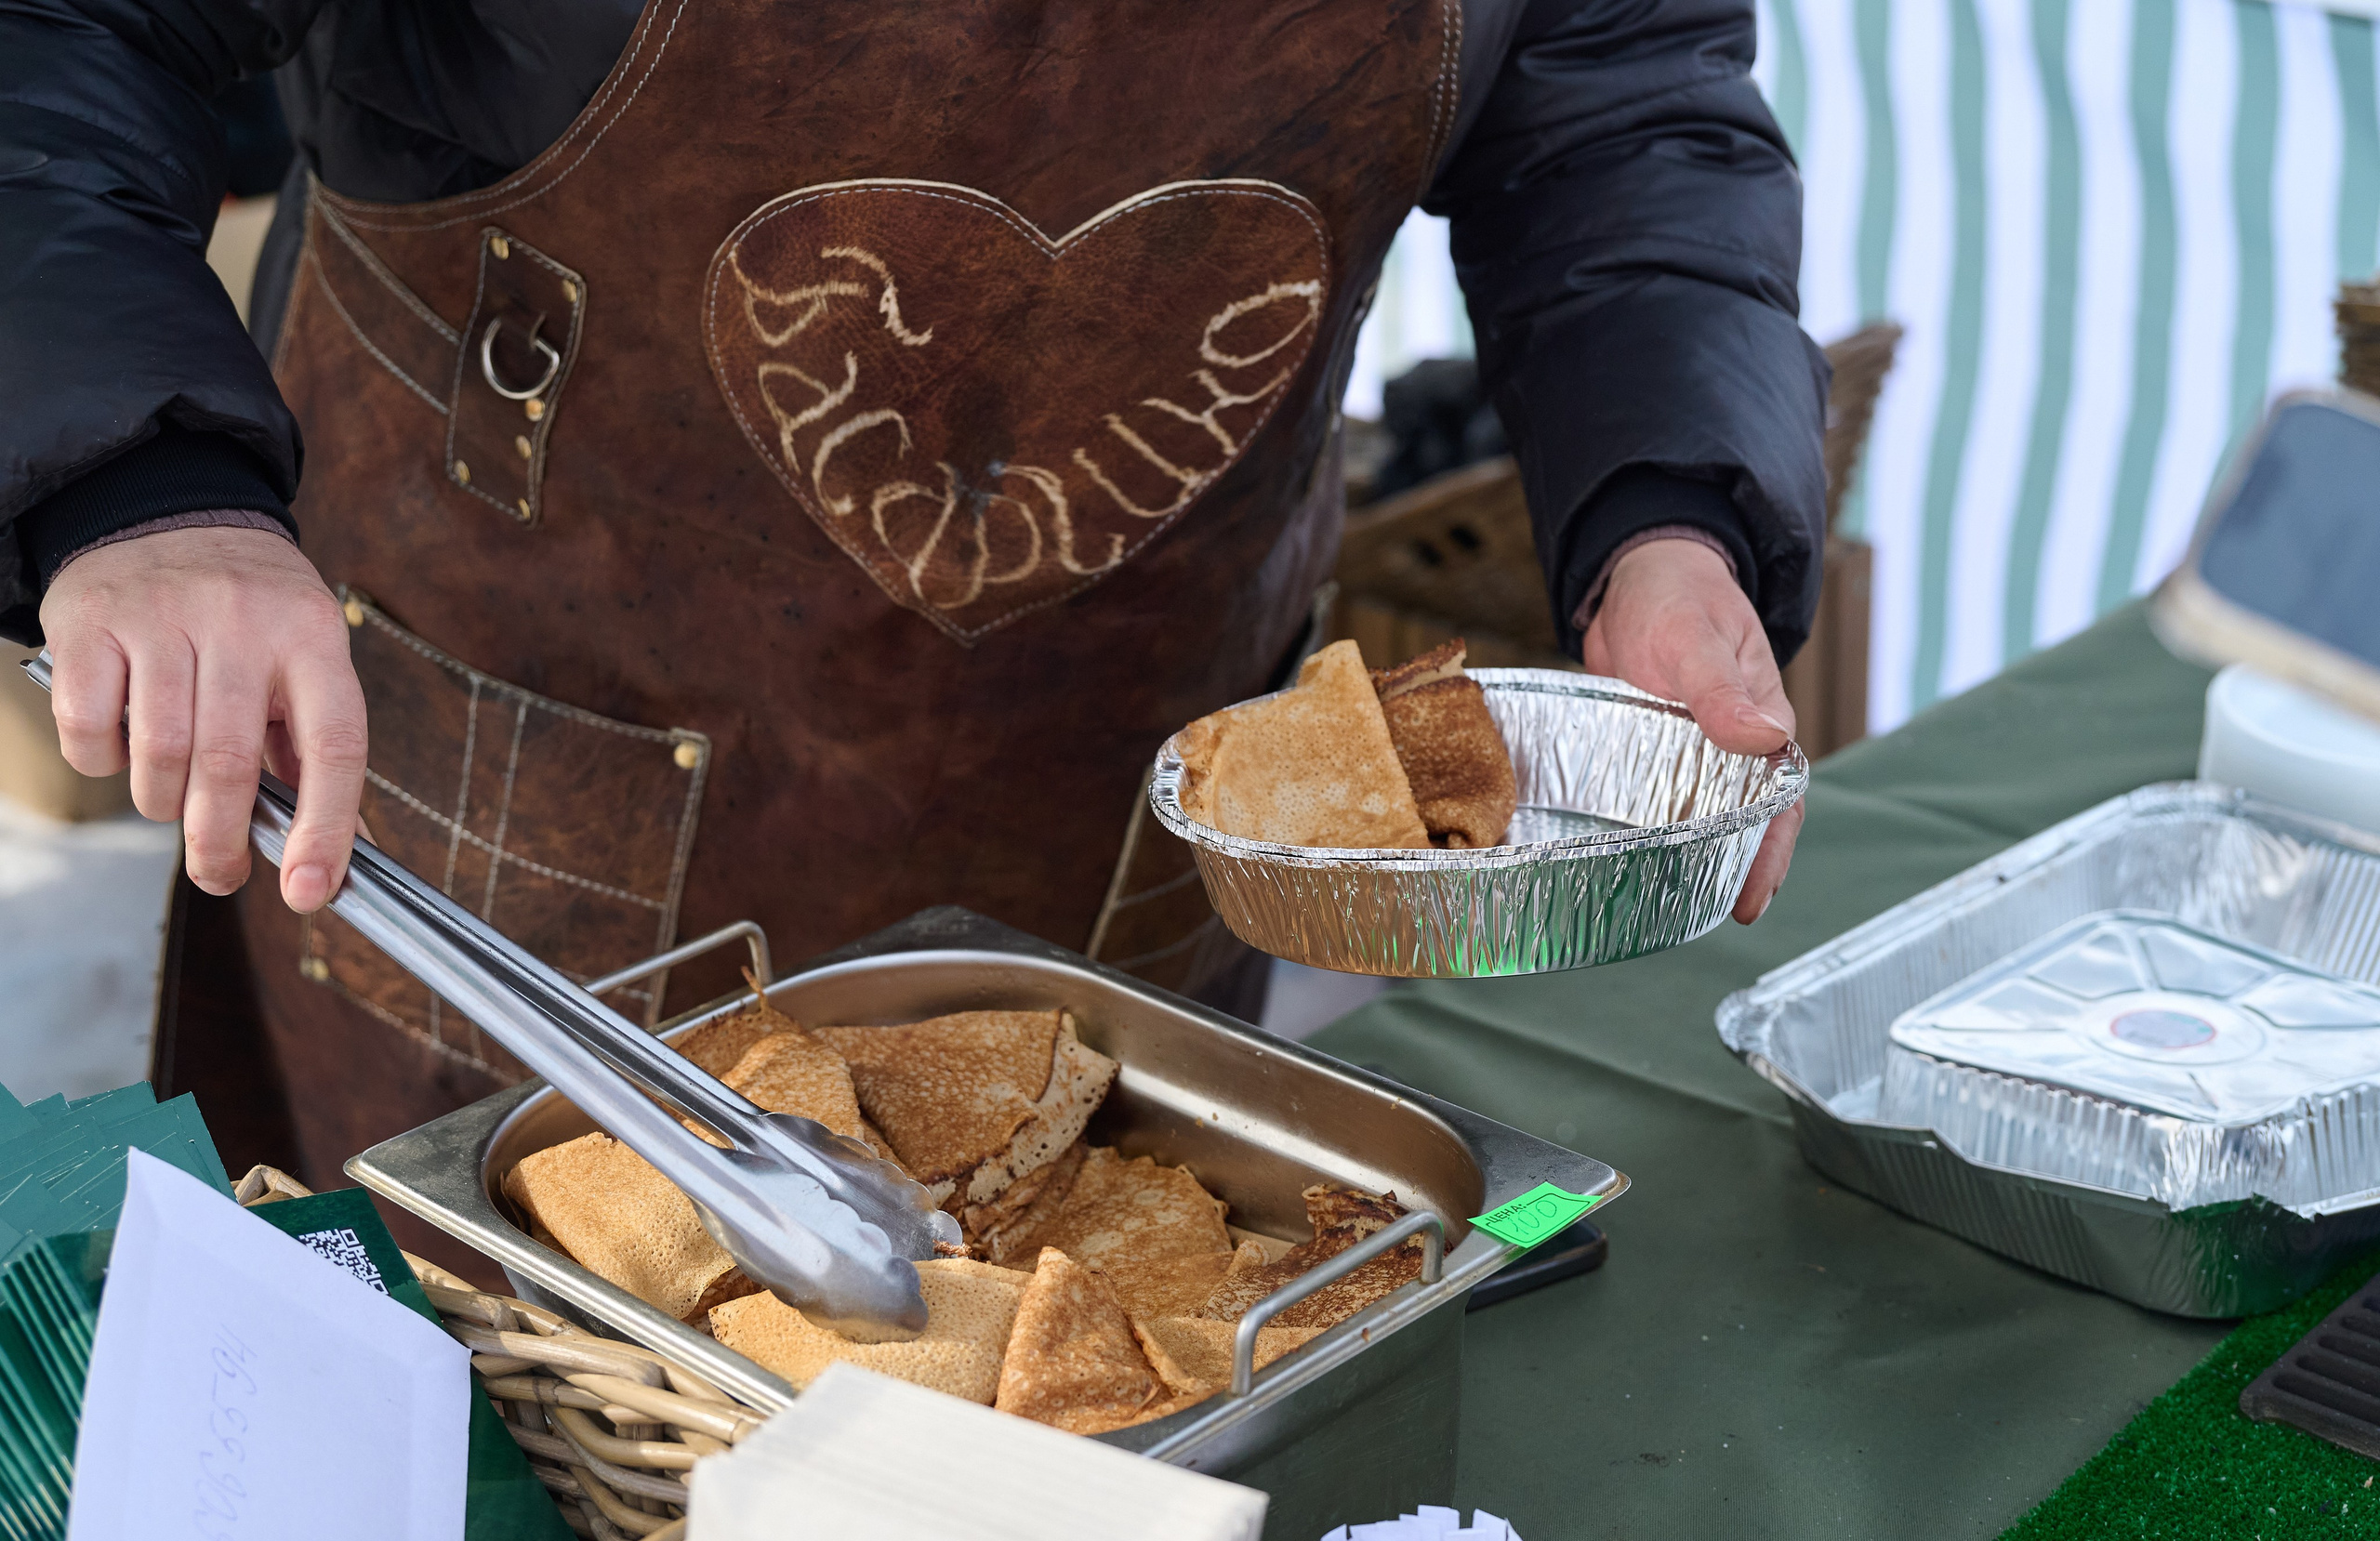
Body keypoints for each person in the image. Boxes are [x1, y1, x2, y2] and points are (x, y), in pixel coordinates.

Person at [3, 0, 1824, 1213]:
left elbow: (1618, 114)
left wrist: (1673, 516)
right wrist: (137, 484)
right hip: (493, 873)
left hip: (1105, 852)